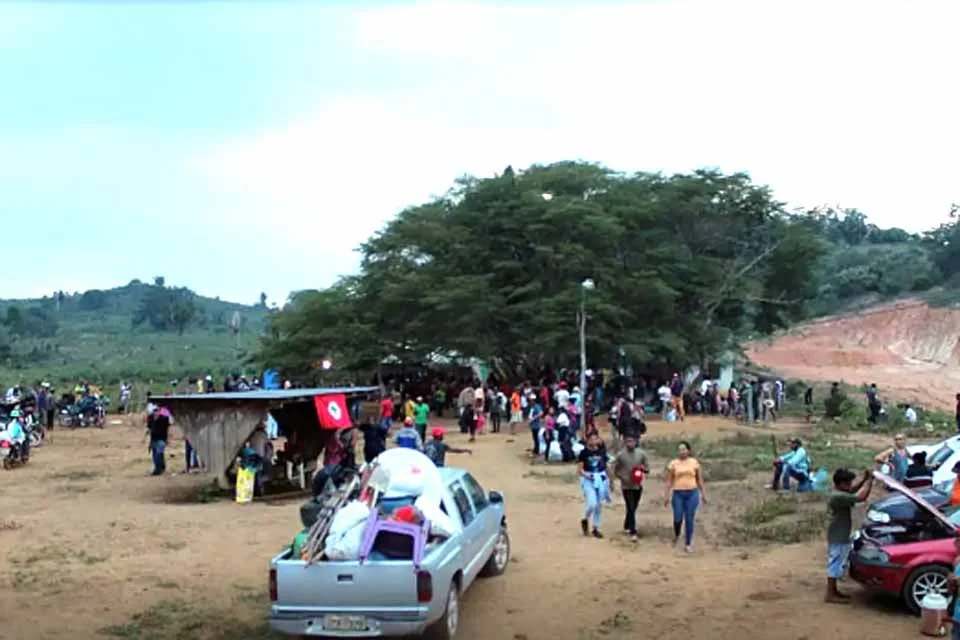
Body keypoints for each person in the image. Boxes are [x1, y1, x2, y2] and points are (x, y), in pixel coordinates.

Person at [825, 468, 874, 603]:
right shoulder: (838, 496)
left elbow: (852, 491)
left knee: (837, 562)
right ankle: (830, 594)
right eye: (848, 483)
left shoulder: (838, 493)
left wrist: (864, 479)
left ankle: (833, 591)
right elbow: (860, 497)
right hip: (838, 534)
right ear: (841, 483)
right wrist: (869, 481)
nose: (850, 485)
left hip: (839, 533)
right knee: (835, 564)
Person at [663, 441, 706, 553]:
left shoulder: (694, 462)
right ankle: (677, 533)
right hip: (678, 493)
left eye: (684, 449)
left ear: (688, 451)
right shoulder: (673, 464)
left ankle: (688, 543)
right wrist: (666, 495)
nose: (682, 452)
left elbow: (699, 479)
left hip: (692, 493)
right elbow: (669, 481)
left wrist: (703, 494)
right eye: (680, 450)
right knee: (678, 516)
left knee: (689, 518)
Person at [613, 432, 649, 541]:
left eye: (632, 441)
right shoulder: (620, 455)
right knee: (631, 507)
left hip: (637, 485)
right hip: (626, 486)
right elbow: (615, 470)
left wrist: (642, 469)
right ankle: (633, 531)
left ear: (636, 442)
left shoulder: (641, 454)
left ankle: (627, 524)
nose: (630, 443)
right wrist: (622, 477)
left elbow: (647, 469)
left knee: (633, 507)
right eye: (628, 441)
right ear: (624, 442)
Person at [577, 431, 611, 538]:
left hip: (600, 478)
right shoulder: (584, 453)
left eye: (595, 439)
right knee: (592, 503)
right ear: (587, 440)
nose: (594, 441)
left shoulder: (601, 451)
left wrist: (610, 480)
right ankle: (585, 518)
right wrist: (587, 476)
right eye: (591, 439)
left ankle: (596, 527)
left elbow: (606, 466)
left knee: (599, 504)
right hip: (589, 478)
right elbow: (580, 470)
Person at [145, 406, 170, 476]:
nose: (156, 412)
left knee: (158, 454)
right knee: (155, 454)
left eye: (157, 411)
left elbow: (168, 428)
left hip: (161, 438)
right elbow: (149, 427)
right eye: (154, 411)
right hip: (153, 438)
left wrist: (168, 439)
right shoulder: (151, 418)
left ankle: (158, 470)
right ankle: (161, 467)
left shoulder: (164, 419)